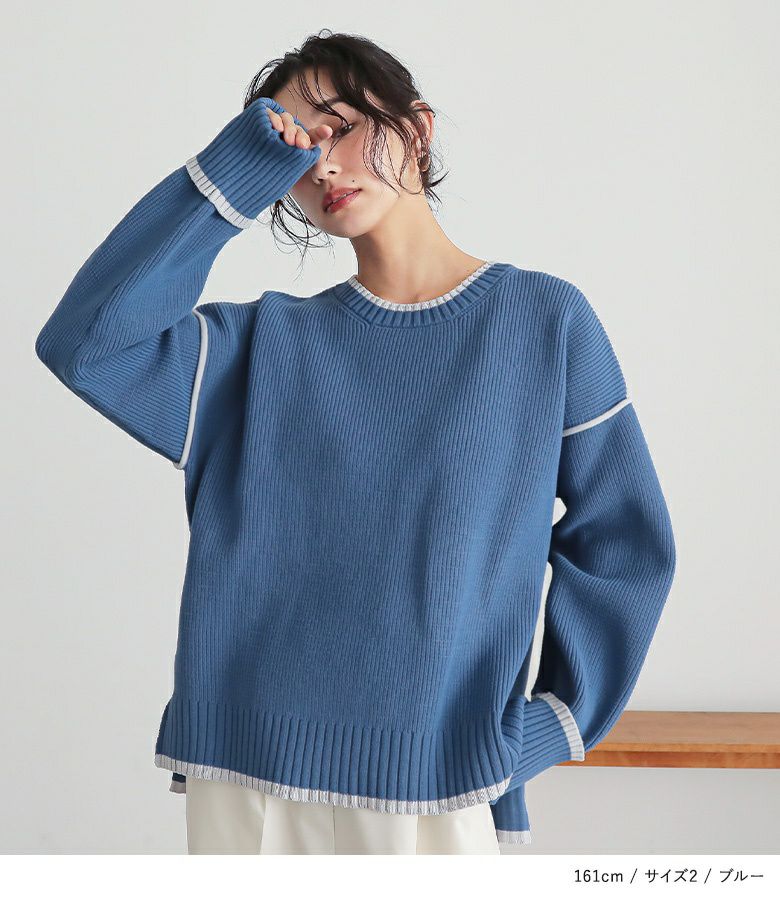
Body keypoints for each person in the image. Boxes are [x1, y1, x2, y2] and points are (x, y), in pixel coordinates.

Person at [34, 30, 677, 855]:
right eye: (293, 151)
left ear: (417, 128)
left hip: (438, 782)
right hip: (247, 786)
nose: (323, 167)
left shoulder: (543, 323)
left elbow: (625, 546)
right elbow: (87, 345)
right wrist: (233, 171)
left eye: (337, 127)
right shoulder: (256, 350)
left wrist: (553, 723)